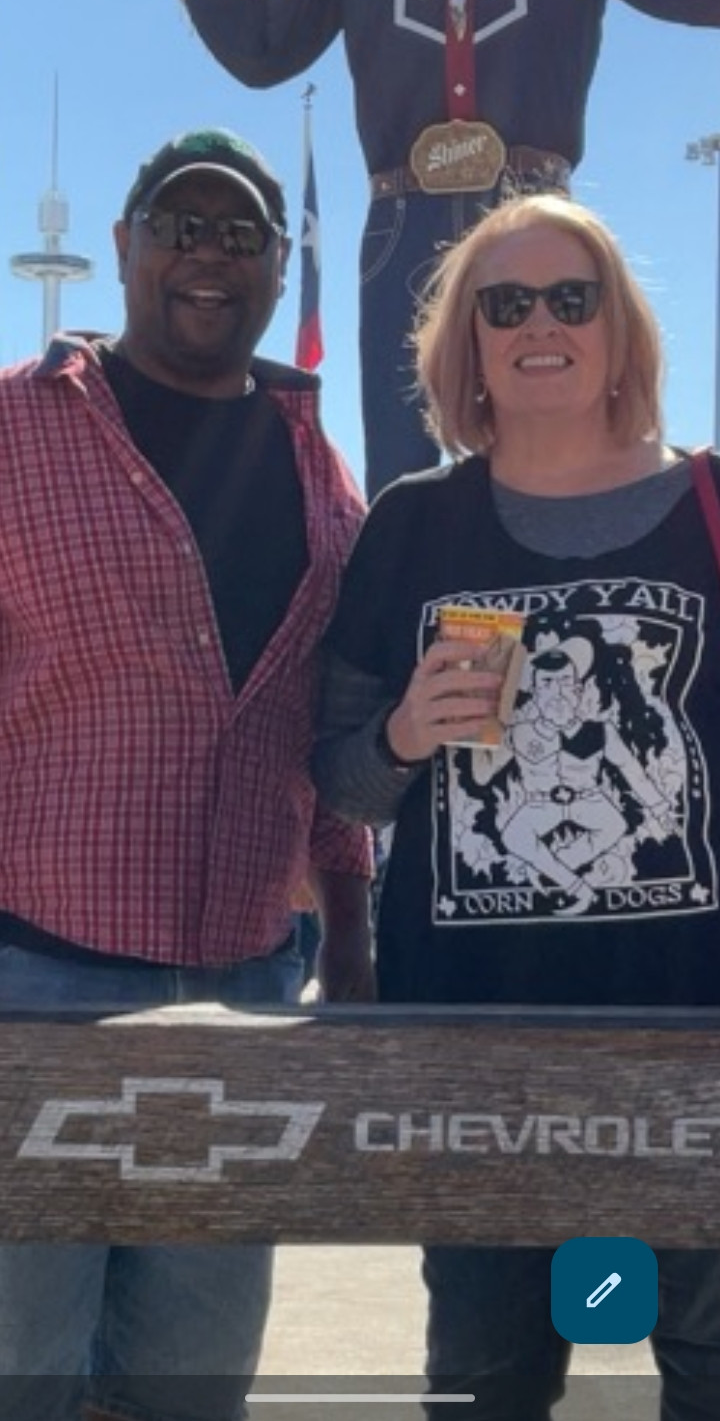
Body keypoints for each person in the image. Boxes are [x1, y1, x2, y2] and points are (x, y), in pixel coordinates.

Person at [312, 191, 720, 1419]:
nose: (541, 323)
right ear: (469, 345)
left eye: (571, 296)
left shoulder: (709, 505)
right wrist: (402, 732)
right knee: (486, 1385)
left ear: (619, 330)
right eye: (507, 303)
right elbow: (338, 775)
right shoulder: (412, 527)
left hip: (692, 1047)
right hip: (475, 1054)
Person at [0, 125, 374, 1421]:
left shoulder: (325, 474)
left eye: (241, 234)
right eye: (180, 222)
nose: (209, 254)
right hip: (33, 982)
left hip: (246, 993)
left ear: (277, 270)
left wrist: (358, 945)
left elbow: (331, 728)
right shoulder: (12, 428)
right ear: (122, 245)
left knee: (191, 1386)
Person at [94, 0, 720, 498]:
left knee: (562, 443)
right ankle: (419, 605)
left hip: (534, 213)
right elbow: (260, 42)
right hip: (402, 222)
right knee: (409, 468)